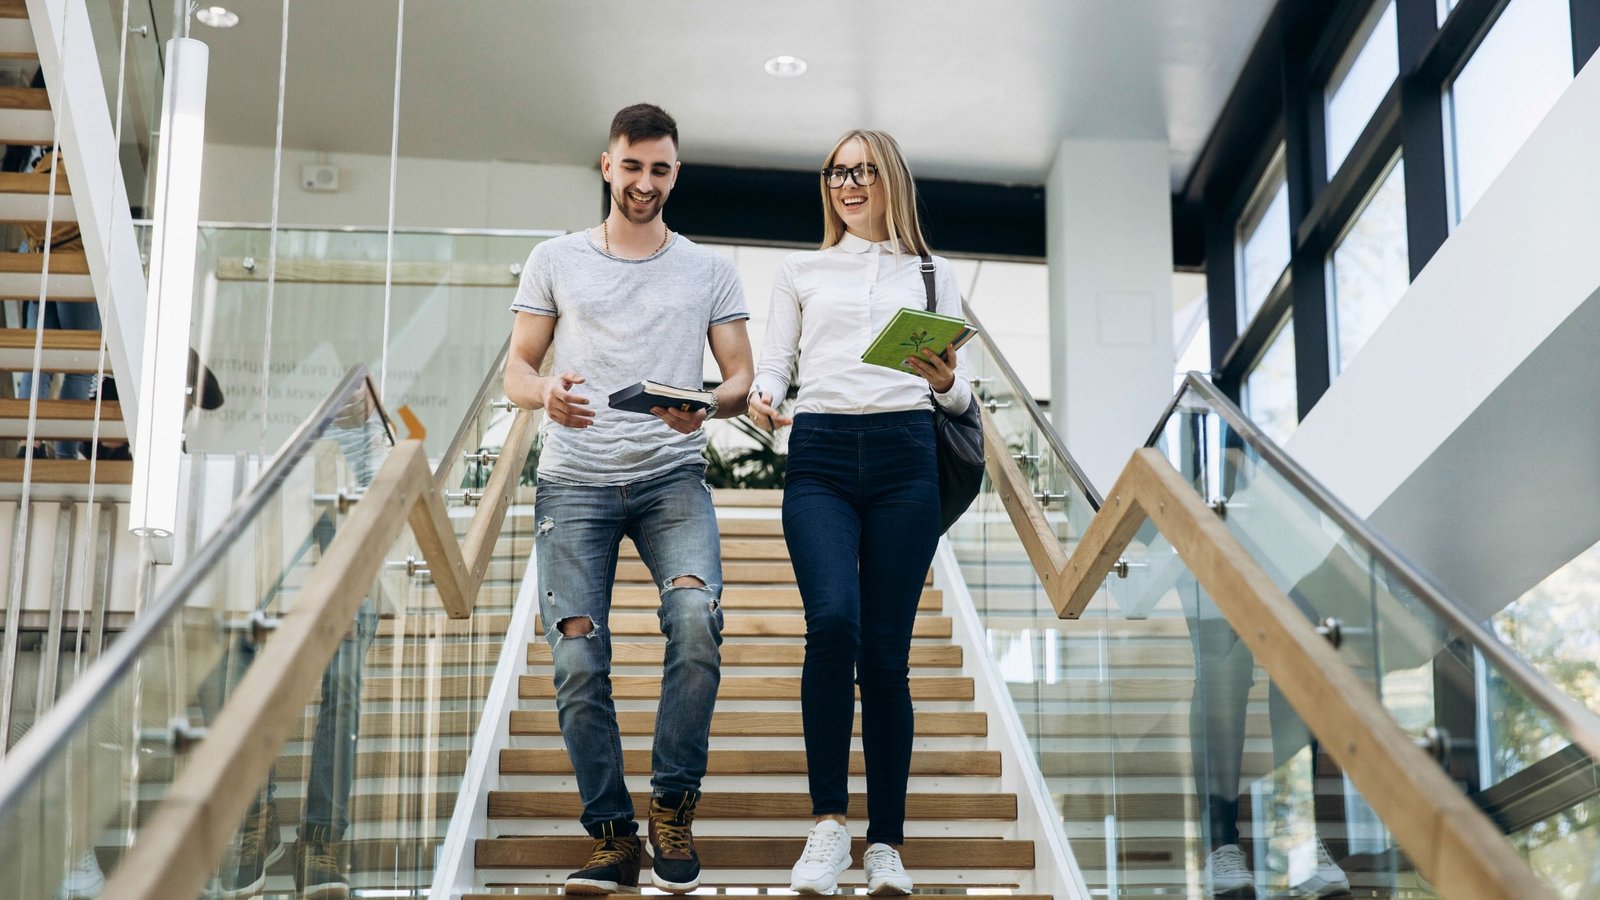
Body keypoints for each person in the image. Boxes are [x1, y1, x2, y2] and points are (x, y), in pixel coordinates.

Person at [503, 102, 754, 895]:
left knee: (696, 617)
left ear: (676, 173)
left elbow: (741, 378)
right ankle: (613, 838)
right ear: (608, 165)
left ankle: (672, 806)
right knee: (577, 656)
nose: (646, 182)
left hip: (670, 476)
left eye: (661, 169)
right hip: (573, 481)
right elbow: (516, 369)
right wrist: (546, 393)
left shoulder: (709, 268)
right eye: (633, 165)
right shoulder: (555, 257)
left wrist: (706, 405)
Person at [747, 129, 972, 896]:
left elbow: (959, 397)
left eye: (863, 170)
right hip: (820, 454)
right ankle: (828, 825)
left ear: (891, 179)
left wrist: (945, 382)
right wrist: (765, 397)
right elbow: (776, 365)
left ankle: (885, 845)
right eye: (837, 171)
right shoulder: (800, 271)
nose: (848, 183)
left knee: (885, 655)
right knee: (833, 621)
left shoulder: (933, 273)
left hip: (907, 455)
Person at [198, 386, 385, 900]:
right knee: (220, 646)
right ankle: (254, 815)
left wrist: (377, 421)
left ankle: (321, 839)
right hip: (270, 520)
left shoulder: (384, 424)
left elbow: (401, 479)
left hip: (351, 535)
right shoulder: (275, 410)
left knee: (344, 672)